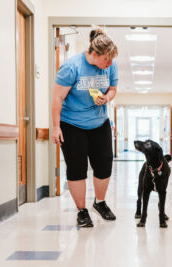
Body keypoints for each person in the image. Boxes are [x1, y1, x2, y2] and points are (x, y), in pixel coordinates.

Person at [51, 27, 118, 227]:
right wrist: (56, 127)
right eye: (106, 60)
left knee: (104, 164)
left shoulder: (110, 66)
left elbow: (113, 89)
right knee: (77, 167)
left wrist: (107, 97)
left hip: (99, 123)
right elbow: (57, 98)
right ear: (95, 54)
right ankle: (82, 211)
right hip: (72, 124)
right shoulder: (71, 67)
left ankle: (100, 202)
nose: (109, 64)